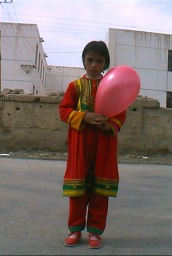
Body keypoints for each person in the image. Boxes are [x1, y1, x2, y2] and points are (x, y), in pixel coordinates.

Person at [59, 41, 126, 249]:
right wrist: (85, 117)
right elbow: (64, 110)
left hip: (103, 144)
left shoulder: (112, 86)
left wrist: (110, 125)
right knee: (78, 188)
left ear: (105, 62)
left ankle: (95, 232)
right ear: (84, 60)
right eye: (90, 59)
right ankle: (75, 230)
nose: (94, 64)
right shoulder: (75, 87)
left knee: (99, 189)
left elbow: (120, 112)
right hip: (80, 143)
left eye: (99, 60)